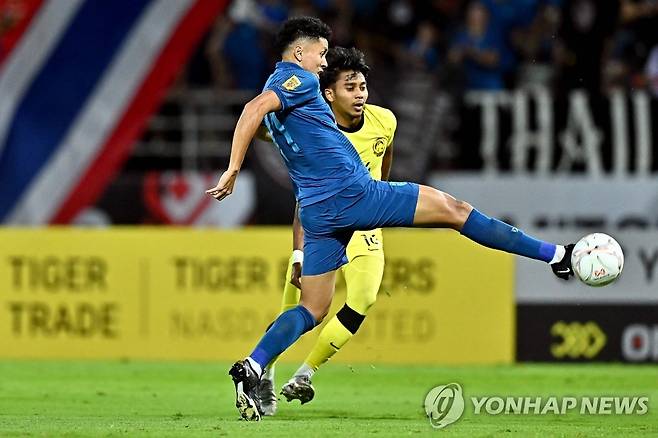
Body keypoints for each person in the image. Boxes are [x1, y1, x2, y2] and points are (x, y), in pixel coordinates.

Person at [206, 16, 574, 422]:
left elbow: (261, 119)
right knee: (456, 211)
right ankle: (556, 255)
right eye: (322, 54)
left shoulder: (282, 101)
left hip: (318, 213)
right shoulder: (301, 82)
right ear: (299, 53)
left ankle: (252, 367)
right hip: (353, 195)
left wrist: (252, 150)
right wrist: (234, 168)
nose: (324, 62)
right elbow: (252, 108)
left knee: (313, 309)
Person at [255, 46, 396, 415]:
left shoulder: (385, 122)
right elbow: (304, 200)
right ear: (328, 94)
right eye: (351, 87)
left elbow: (384, 168)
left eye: (363, 86)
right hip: (321, 225)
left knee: (363, 299)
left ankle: (305, 373)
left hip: (364, 227)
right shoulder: (314, 127)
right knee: (296, 310)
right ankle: (265, 375)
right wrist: (299, 252)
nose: (361, 94)